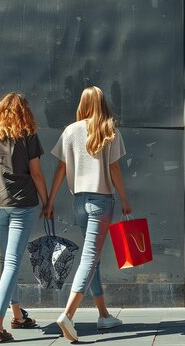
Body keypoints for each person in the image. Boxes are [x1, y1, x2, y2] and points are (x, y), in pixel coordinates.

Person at [44, 85, 132, 342]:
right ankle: (68, 315)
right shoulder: (109, 129)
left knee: (92, 258)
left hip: (79, 202)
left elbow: (60, 169)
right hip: (101, 201)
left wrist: (50, 200)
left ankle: (104, 315)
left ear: (83, 103)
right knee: (90, 258)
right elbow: (114, 169)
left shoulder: (70, 131)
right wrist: (125, 199)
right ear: (103, 103)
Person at [0, 92, 49, 342]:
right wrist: (47, 201)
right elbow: (37, 173)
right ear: (24, 111)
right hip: (23, 204)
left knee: (7, 263)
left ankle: (17, 315)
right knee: (12, 263)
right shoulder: (28, 134)